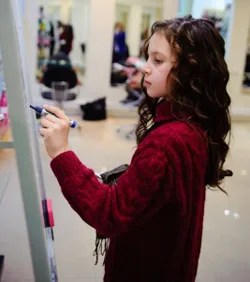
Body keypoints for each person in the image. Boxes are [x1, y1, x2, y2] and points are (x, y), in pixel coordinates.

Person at [39, 16, 232, 282]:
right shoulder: (193, 126)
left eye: (158, 60)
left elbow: (108, 213)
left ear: (189, 69)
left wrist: (61, 152)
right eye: (148, 58)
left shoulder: (167, 143)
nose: (146, 69)